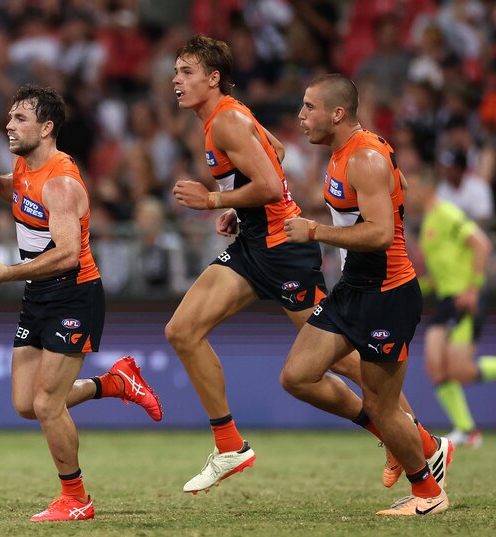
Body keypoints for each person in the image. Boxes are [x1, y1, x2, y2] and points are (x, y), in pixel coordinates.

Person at [168, 36, 449, 497]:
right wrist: (244, 210)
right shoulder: (224, 118)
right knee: (182, 330)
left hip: (283, 252)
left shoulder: (229, 121)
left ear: (213, 78)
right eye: (176, 72)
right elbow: (274, 155)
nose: (176, 81)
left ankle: (418, 444)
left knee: (345, 362)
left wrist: (215, 198)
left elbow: (271, 185)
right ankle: (230, 446)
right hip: (255, 242)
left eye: (186, 72)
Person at [0, 84, 162, 522]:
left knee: (46, 405)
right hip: (40, 294)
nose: (9, 125)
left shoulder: (61, 181)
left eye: (20, 119)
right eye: (10, 117)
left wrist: (7, 274)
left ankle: (77, 499)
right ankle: (113, 383)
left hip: (74, 293)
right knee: (24, 403)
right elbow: (25, 202)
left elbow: (68, 253)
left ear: (47, 127)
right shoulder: (23, 166)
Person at [283, 73, 449, 516]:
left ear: (337, 113)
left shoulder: (365, 157)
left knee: (381, 401)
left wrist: (315, 231)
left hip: (387, 292)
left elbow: (378, 234)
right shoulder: (344, 153)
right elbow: (399, 192)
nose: (301, 116)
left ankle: (428, 492)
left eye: (309, 107)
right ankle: (421, 443)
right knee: (298, 376)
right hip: (352, 287)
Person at [407, 168, 496, 448]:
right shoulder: (427, 225)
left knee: (459, 370)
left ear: (426, 188)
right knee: (435, 367)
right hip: (447, 300)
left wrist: (473, 288)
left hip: (465, 299)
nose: (406, 195)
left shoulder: (446, 214)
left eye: (410, 188)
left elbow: (481, 245)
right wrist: (410, 288)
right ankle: (467, 430)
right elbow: (437, 277)